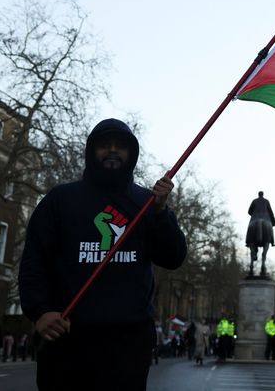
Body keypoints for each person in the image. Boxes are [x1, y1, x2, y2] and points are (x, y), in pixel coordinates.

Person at [18, 118, 188, 391]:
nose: (112, 150)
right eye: (104, 145)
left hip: (128, 344)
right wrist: (40, 311)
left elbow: (173, 257)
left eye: (120, 146)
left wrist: (161, 214)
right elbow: (34, 260)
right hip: (67, 340)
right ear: (90, 151)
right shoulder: (60, 199)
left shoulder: (148, 204)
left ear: (132, 154)